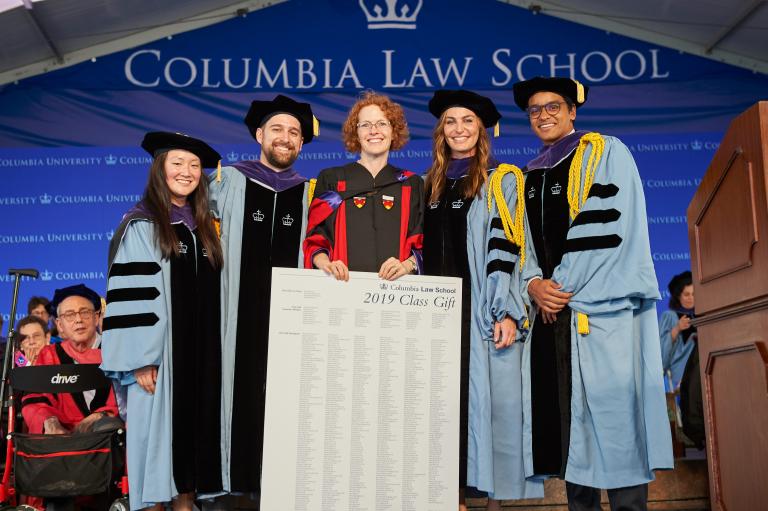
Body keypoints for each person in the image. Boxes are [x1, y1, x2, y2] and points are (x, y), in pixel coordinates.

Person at [513, 76, 673, 510]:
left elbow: (602, 225)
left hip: (599, 312)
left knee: (615, 423)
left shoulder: (604, 152)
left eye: (553, 107)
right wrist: (532, 284)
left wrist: (557, 288)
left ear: (572, 111)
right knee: (570, 430)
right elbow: (521, 241)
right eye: (534, 110)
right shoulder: (529, 174)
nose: (543, 115)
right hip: (551, 315)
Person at [422, 89, 542, 509]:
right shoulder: (428, 184)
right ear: (441, 130)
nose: (459, 129)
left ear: (483, 128)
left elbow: (512, 246)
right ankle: (449, 497)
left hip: (480, 310)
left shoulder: (501, 178)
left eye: (468, 121)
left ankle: (492, 502)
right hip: (435, 314)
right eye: (451, 121)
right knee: (442, 407)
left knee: (490, 405)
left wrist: (507, 311)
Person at [101, 132, 224, 511]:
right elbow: (133, 295)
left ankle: (187, 505)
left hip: (201, 357)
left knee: (190, 451)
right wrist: (141, 358)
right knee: (155, 457)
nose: (187, 172)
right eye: (177, 163)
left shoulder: (205, 226)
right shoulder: (142, 223)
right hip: (159, 359)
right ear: (159, 169)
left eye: (194, 166)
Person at [208, 94, 317, 495]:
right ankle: (227, 483)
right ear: (259, 134)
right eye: (277, 129)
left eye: (294, 132)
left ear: (302, 143)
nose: (285, 138)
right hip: (234, 315)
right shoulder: (228, 181)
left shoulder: (309, 193)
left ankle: (282, 487)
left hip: (291, 323)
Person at [304, 91, 423, 280]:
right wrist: (326, 264)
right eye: (365, 125)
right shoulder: (332, 179)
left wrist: (406, 265)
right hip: (342, 289)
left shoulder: (411, 183)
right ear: (356, 133)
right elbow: (316, 238)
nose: (374, 131)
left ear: (394, 131)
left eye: (382, 123)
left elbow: (421, 241)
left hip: (397, 295)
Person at [22, 284, 118, 434]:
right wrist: (49, 421)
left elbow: (128, 398)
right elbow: (36, 398)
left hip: (107, 436)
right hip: (60, 440)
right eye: (70, 315)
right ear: (60, 325)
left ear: (96, 317)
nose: (78, 319)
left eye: (85, 312)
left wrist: (103, 415)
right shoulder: (50, 355)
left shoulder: (116, 351)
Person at [659, 271, 696, 389]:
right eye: (687, 294)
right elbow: (661, 349)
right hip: (682, 374)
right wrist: (677, 328)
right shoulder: (669, 316)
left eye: (694, 294)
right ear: (678, 296)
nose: (691, 298)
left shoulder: (702, 314)